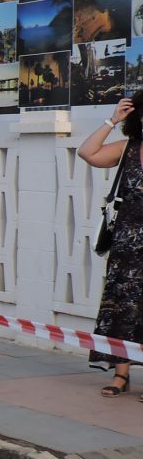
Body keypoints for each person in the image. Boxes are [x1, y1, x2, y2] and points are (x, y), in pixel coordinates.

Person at [77, 95, 143, 398]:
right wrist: (112, 120)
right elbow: (87, 152)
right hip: (127, 245)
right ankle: (121, 375)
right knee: (122, 306)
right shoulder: (128, 148)